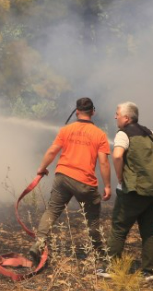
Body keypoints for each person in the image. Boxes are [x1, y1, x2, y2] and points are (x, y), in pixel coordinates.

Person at [28, 97, 112, 264]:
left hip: (63, 177)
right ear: (93, 112)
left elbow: (52, 151)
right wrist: (108, 185)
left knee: (52, 211)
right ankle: (100, 254)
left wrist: (42, 168)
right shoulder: (100, 135)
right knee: (92, 219)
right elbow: (103, 162)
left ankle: (39, 242)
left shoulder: (66, 130)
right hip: (84, 182)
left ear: (77, 111)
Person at [104, 102, 153, 279]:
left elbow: (117, 155)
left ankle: (113, 269)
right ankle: (149, 271)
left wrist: (120, 178)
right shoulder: (147, 132)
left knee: (119, 228)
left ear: (126, 118)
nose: (115, 117)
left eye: (117, 113)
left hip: (134, 190)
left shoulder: (123, 134)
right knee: (148, 230)